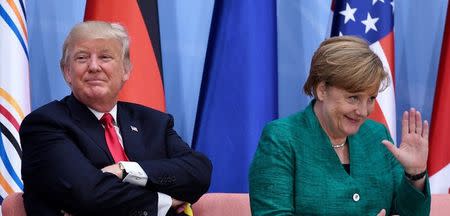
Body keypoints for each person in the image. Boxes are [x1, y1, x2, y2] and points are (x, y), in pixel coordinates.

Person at [20, 21, 212, 216]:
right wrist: (165, 201)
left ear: (126, 70)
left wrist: (125, 170)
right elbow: (88, 194)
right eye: (82, 57)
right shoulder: (44, 125)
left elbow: (199, 171)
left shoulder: (153, 122)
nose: (94, 66)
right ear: (67, 72)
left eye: (105, 57)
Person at [249, 36, 431, 215]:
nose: (363, 111)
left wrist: (415, 174)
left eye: (371, 98)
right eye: (353, 97)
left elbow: (409, 212)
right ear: (322, 90)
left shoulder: (377, 135)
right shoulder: (281, 138)